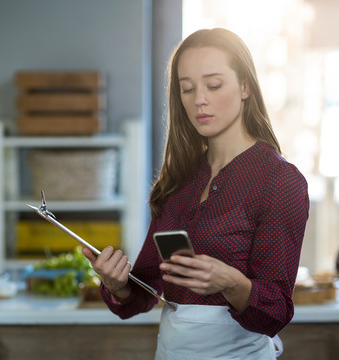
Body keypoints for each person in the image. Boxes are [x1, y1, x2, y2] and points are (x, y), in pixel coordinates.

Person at [83, 28, 310, 359]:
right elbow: (143, 295)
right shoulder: (179, 179)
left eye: (214, 85)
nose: (198, 99)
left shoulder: (280, 181)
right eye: (186, 89)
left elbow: (275, 313)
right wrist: (118, 284)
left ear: (245, 86)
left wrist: (232, 282)